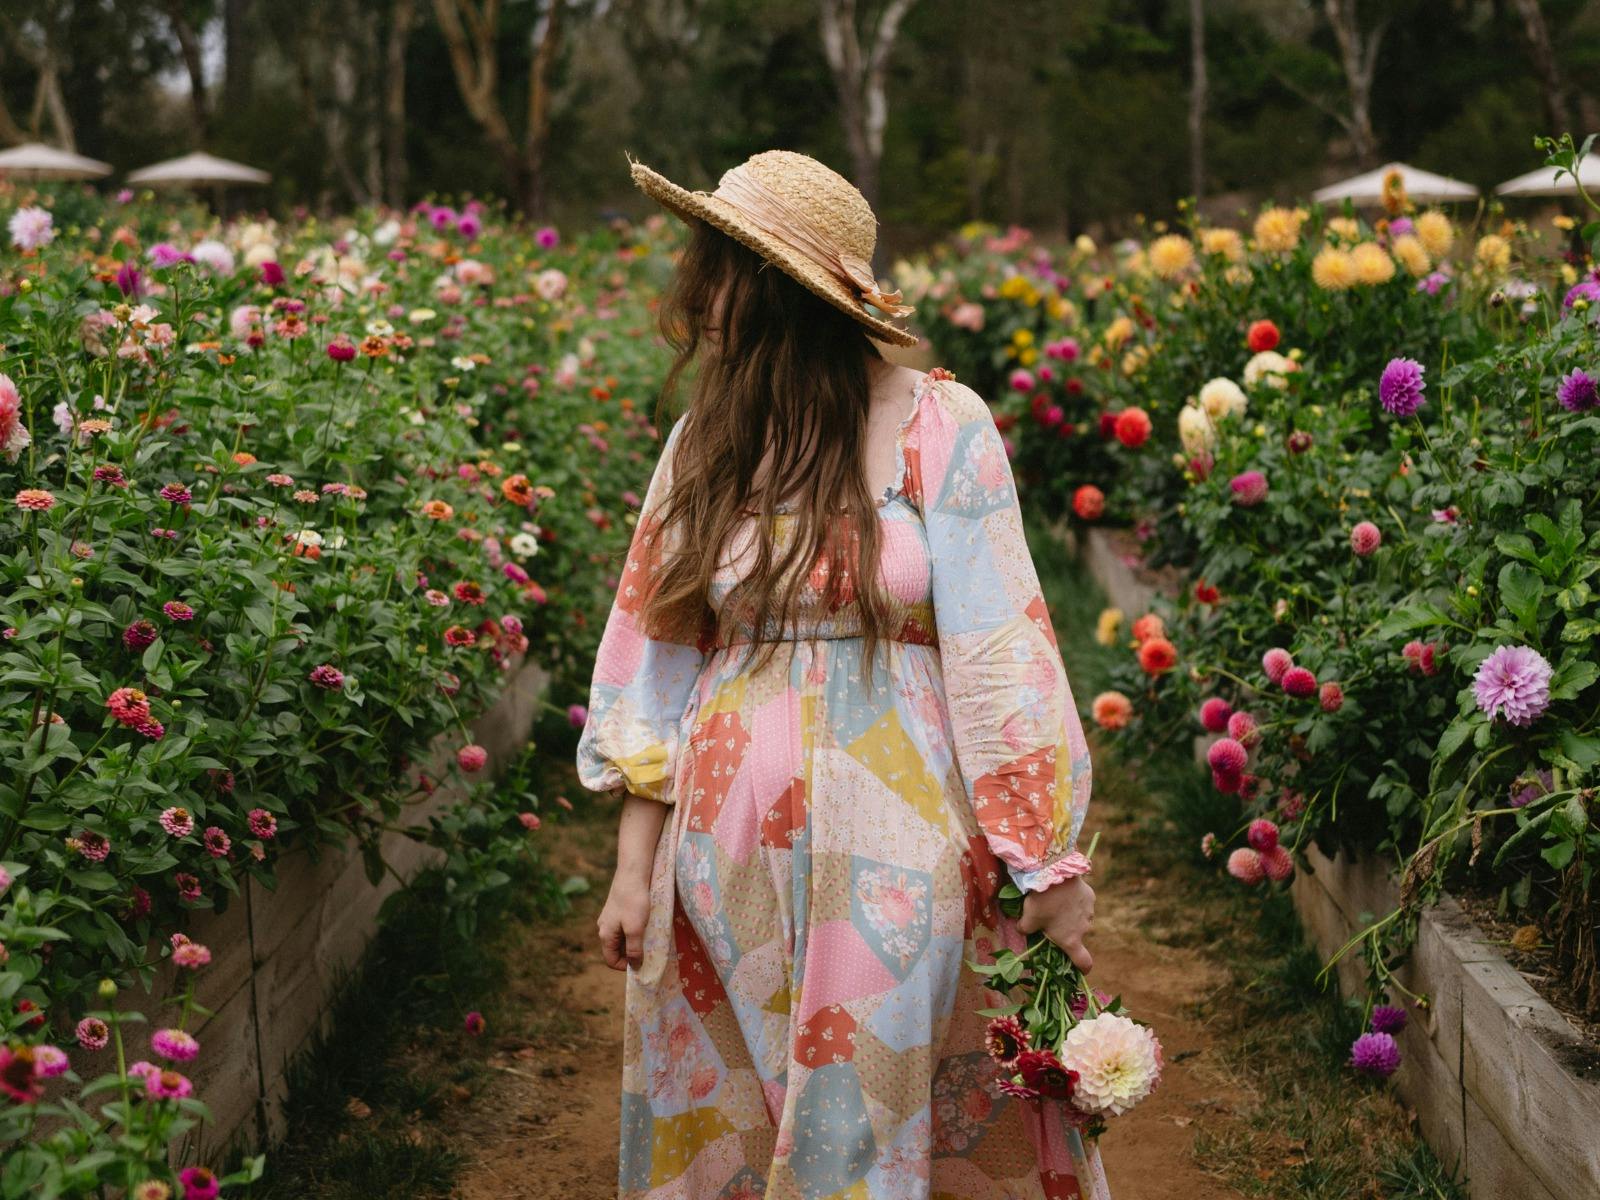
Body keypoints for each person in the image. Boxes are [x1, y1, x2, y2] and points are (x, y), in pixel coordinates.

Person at [577, 149, 1097, 1200]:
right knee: (739, 1114)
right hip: (720, 858)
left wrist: (1044, 858)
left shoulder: (938, 428)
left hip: (894, 848)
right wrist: (634, 869)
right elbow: (652, 658)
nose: (695, 293)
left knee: (858, 1122)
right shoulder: (703, 448)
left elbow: (1003, 651)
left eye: (716, 266)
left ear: (774, 288)